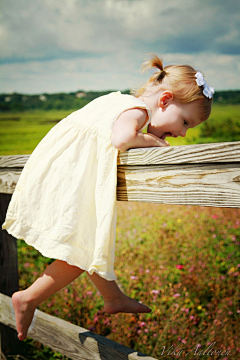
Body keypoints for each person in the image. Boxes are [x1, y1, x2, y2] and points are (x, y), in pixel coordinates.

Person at [2, 53, 214, 341]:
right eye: (186, 122)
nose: (182, 133)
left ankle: (112, 297)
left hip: (62, 169)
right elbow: (123, 139)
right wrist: (153, 141)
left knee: (87, 243)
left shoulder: (116, 101)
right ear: (165, 100)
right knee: (84, 245)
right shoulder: (137, 111)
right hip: (72, 175)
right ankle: (28, 298)